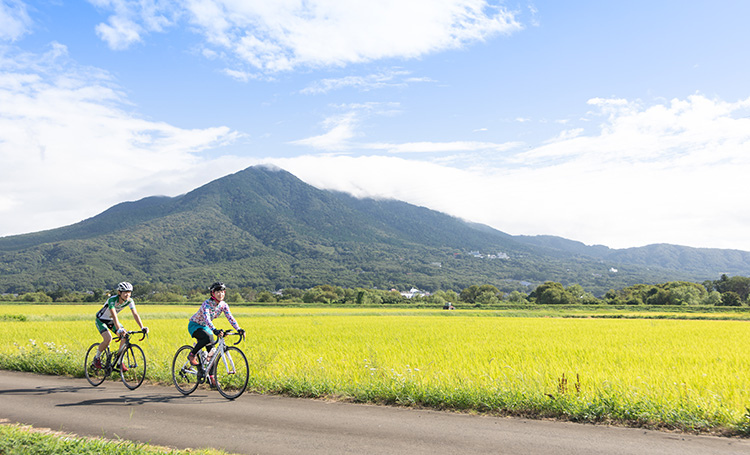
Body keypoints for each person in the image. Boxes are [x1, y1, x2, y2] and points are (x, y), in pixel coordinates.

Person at [187, 282, 244, 384]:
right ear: (212, 293)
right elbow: (207, 319)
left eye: (222, 292)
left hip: (205, 327)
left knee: (212, 352)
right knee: (207, 337)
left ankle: (211, 378)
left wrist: (238, 329)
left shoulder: (223, 305)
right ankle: (192, 354)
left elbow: (230, 318)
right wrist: (215, 330)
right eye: (218, 291)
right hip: (195, 325)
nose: (220, 294)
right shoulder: (207, 304)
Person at [93, 281, 148, 369]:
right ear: (119, 293)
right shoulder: (112, 300)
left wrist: (142, 327)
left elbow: (135, 314)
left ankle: (119, 362)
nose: (127, 294)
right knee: (108, 339)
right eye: (125, 292)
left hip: (110, 320)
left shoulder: (129, 301)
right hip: (101, 320)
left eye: (129, 292)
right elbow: (114, 316)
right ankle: (97, 358)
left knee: (125, 336)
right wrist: (119, 329)